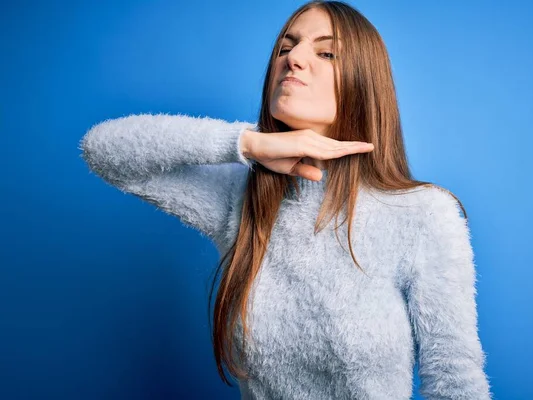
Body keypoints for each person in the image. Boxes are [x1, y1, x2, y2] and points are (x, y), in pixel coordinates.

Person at [79, 1, 493, 398]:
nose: (293, 59)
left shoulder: (422, 212)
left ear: (364, 81)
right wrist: (246, 143)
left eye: (326, 52)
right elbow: (103, 151)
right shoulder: (240, 197)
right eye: (285, 46)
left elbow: (455, 380)